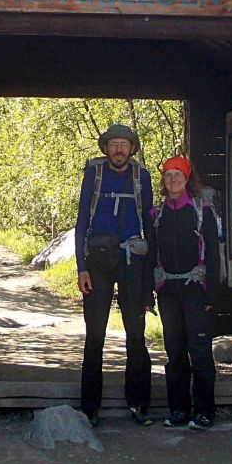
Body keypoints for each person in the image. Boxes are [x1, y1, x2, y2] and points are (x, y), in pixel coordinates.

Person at [75, 124, 154, 427]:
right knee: (95, 334)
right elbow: (82, 221)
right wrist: (81, 267)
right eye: (114, 144)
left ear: (132, 149)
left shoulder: (141, 177)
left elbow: (149, 221)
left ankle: (139, 403)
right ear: (106, 148)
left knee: (136, 333)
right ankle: (89, 408)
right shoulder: (94, 175)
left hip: (133, 260)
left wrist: (150, 274)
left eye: (124, 144)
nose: (119, 149)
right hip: (98, 261)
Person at [147, 155, 221, 430]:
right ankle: (178, 410)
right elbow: (151, 255)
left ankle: (204, 412)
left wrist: (212, 294)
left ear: (187, 178)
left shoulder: (203, 211)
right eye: (168, 175)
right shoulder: (157, 215)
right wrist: (148, 293)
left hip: (196, 290)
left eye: (178, 174)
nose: (173, 179)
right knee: (175, 351)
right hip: (168, 291)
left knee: (199, 350)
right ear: (163, 180)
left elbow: (213, 254)